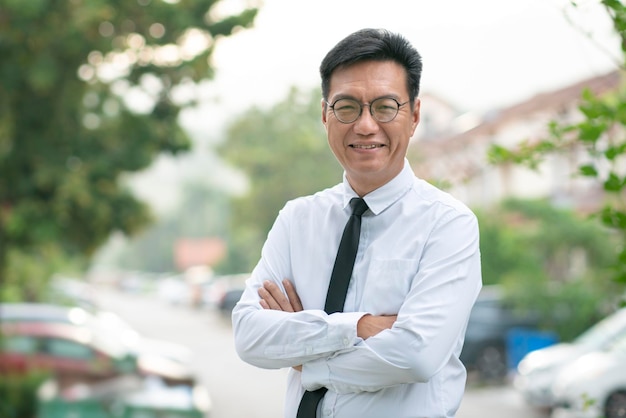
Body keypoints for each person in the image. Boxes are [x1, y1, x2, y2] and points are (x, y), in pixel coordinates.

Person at [232, 28, 482, 418]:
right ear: (324, 114)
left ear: (414, 115)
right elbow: (249, 335)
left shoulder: (448, 225)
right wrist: (359, 328)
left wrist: (304, 355)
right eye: (347, 107)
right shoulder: (297, 220)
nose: (365, 126)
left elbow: (415, 356)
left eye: (385, 107)